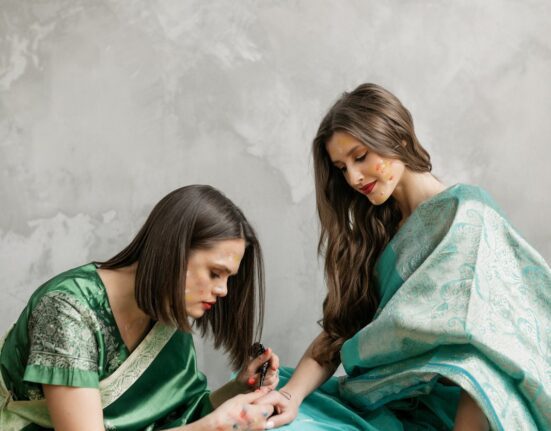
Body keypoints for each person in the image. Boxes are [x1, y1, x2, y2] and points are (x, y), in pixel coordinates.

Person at [256, 83, 550, 430]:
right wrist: (289, 396)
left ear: (398, 138)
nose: (353, 177)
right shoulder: (373, 233)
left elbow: (485, 354)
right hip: (377, 400)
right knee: (259, 415)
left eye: (360, 157)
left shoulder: (467, 215)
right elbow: (340, 331)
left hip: (456, 411)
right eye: (341, 167)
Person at [0, 185, 281, 430]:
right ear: (174, 251)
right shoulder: (67, 310)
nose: (223, 291)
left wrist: (239, 387)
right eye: (215, 273)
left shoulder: (166, 313)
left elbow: (179, 415)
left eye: (228, 278)